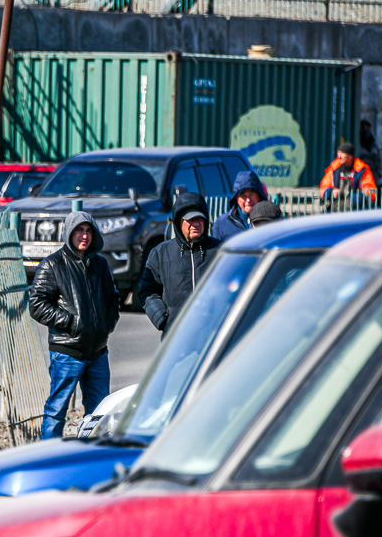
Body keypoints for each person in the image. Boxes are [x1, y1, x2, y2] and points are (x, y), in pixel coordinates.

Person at [28, 211, 120, 440]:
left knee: (99, 414)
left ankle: (90, 458)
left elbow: (113, 298)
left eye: (89, 231)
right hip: (67, 353)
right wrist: (71, 323)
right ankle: (48, 458)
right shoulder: (52, 265)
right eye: (79, 230)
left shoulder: (100, 264)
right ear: (69, 232)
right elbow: (37, 304)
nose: (84, 236)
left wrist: (105, 326)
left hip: (98, 352)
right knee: (57, 410)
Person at [138, 192, 221, 336]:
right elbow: (147, 291)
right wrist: (163, 319)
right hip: (175, 339)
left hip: (212, 337)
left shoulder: (221, 251)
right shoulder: (161, 253)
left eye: (199, 219)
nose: (195, 224)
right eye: (190, 219)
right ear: (178, 221)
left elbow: (235, 286)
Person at [212, 170, 268, 242]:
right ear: (236, 198)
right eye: (243, 196)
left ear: (259, 196)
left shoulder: (271, 221)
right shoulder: (222, 223)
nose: (248, 200)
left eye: (251, 194)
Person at [357, 120, 382, 185]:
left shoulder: (373, 144)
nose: (366, 130)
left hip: (373, 174)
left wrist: (378, 173)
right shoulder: (358, 144)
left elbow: (378, 159)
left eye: (367, 128)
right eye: (364, 128)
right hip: (362, 174)